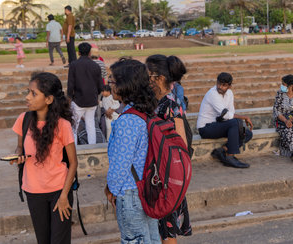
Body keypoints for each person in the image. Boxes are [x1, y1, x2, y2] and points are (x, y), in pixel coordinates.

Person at [10, 72, 77, 244]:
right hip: (33, 191)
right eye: (28, 92)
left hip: (59, 191)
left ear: (48, 99)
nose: (27, 97)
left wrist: (64, 196)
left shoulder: (63, 125)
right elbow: (20, 147)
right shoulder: (23, 120)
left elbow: (73, 163)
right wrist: (18, 155)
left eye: (33, 93)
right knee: (43, 240)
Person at [105, 58, 161, 244]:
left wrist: (111, 189)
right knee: (151, 239)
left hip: (130, 193)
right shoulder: (145, 113)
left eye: (112, 81)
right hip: (147, 188)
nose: (110, 85)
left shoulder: (127, 121)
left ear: (125, 85)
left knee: (135, 240)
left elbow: (120, 165)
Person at [146, 54, 192, 243]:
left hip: (166, 179)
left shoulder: (171, 106)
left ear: (159, 78)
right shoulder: (152, 103)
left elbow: (182, 146)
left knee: (167, 231)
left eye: (147, 75)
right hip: (156, 176)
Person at [197, 72, 253, 168]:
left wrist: (240, 125)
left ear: (229, 86)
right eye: (218, 83)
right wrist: (244, 117)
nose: (220, 87)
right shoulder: (212, 93)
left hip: (220, 125)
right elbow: (226, 115)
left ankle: (222, 150)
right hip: (206, 128)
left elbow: (231, 113)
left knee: (247, 134)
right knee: (236, 122)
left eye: (224, 85)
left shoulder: (230, 94)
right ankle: (230, 157)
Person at [67, 42, 103, 145]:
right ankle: (92, 147)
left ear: (78, 52)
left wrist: (70, 97)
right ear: (90, 52)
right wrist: (96, 95)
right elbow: (100, 85)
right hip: (92, 100)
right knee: (90, 124)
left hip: (78, 100)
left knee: (74, 126)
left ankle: (74, 148)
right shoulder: (95, 65)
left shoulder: (74, 65)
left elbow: (71, 84)